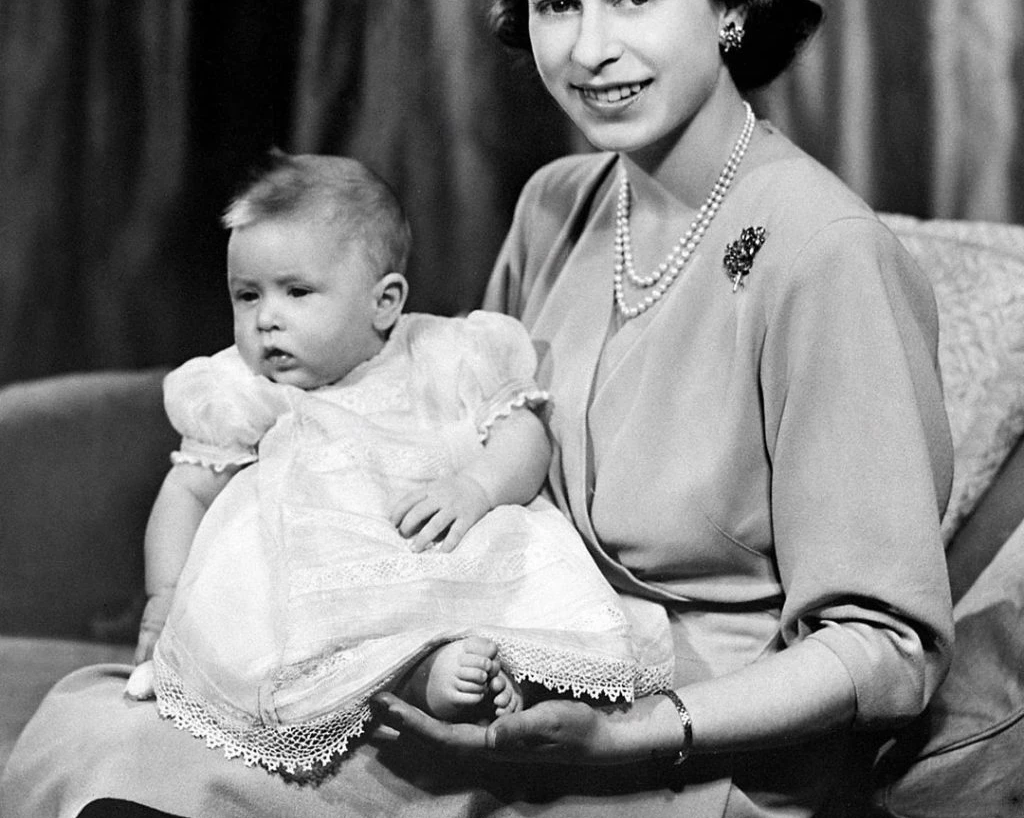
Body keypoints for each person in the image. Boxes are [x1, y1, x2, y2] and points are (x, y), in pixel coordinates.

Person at [0, 0, 953, 818]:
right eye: (555, 4)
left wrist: (634, 730)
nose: (590, 49)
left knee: (137, 779)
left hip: (689, 748)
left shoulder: (827, 253)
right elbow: (455, 433)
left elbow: (885, 648)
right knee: (100, 731)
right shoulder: (558, 205)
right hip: (497, 677)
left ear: (728, 5)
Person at [120, 151, 669, 778]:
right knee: (306, 649)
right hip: (328, 589)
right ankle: (425, 681)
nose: (266, 319)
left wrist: (476, 486)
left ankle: (514, 680)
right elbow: (188, 490)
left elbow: (524, 434)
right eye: (247, 296)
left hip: (445, 549)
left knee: (524, 598)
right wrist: (166, 595)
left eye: (296, 292)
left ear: (384, 302)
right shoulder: (248, 390)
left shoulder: (444, 353)